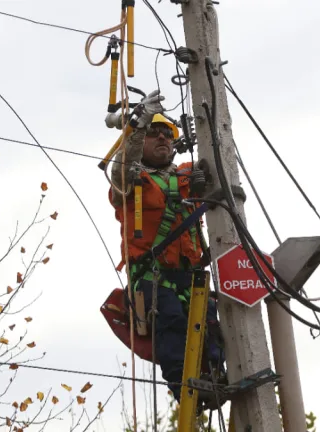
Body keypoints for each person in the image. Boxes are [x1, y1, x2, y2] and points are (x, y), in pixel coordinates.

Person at [108, 90, 226, 409]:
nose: (162, 138)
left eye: (167, 134)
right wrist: (138, 124)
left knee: (212, 324)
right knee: (170, 321)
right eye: (154, 134)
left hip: (189, 275)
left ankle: (217, 378)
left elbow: (217, 168)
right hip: (152, 275)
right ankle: (184, 387)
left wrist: (205, 179)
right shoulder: (131, 179)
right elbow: (122, 167)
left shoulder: (187, 176)